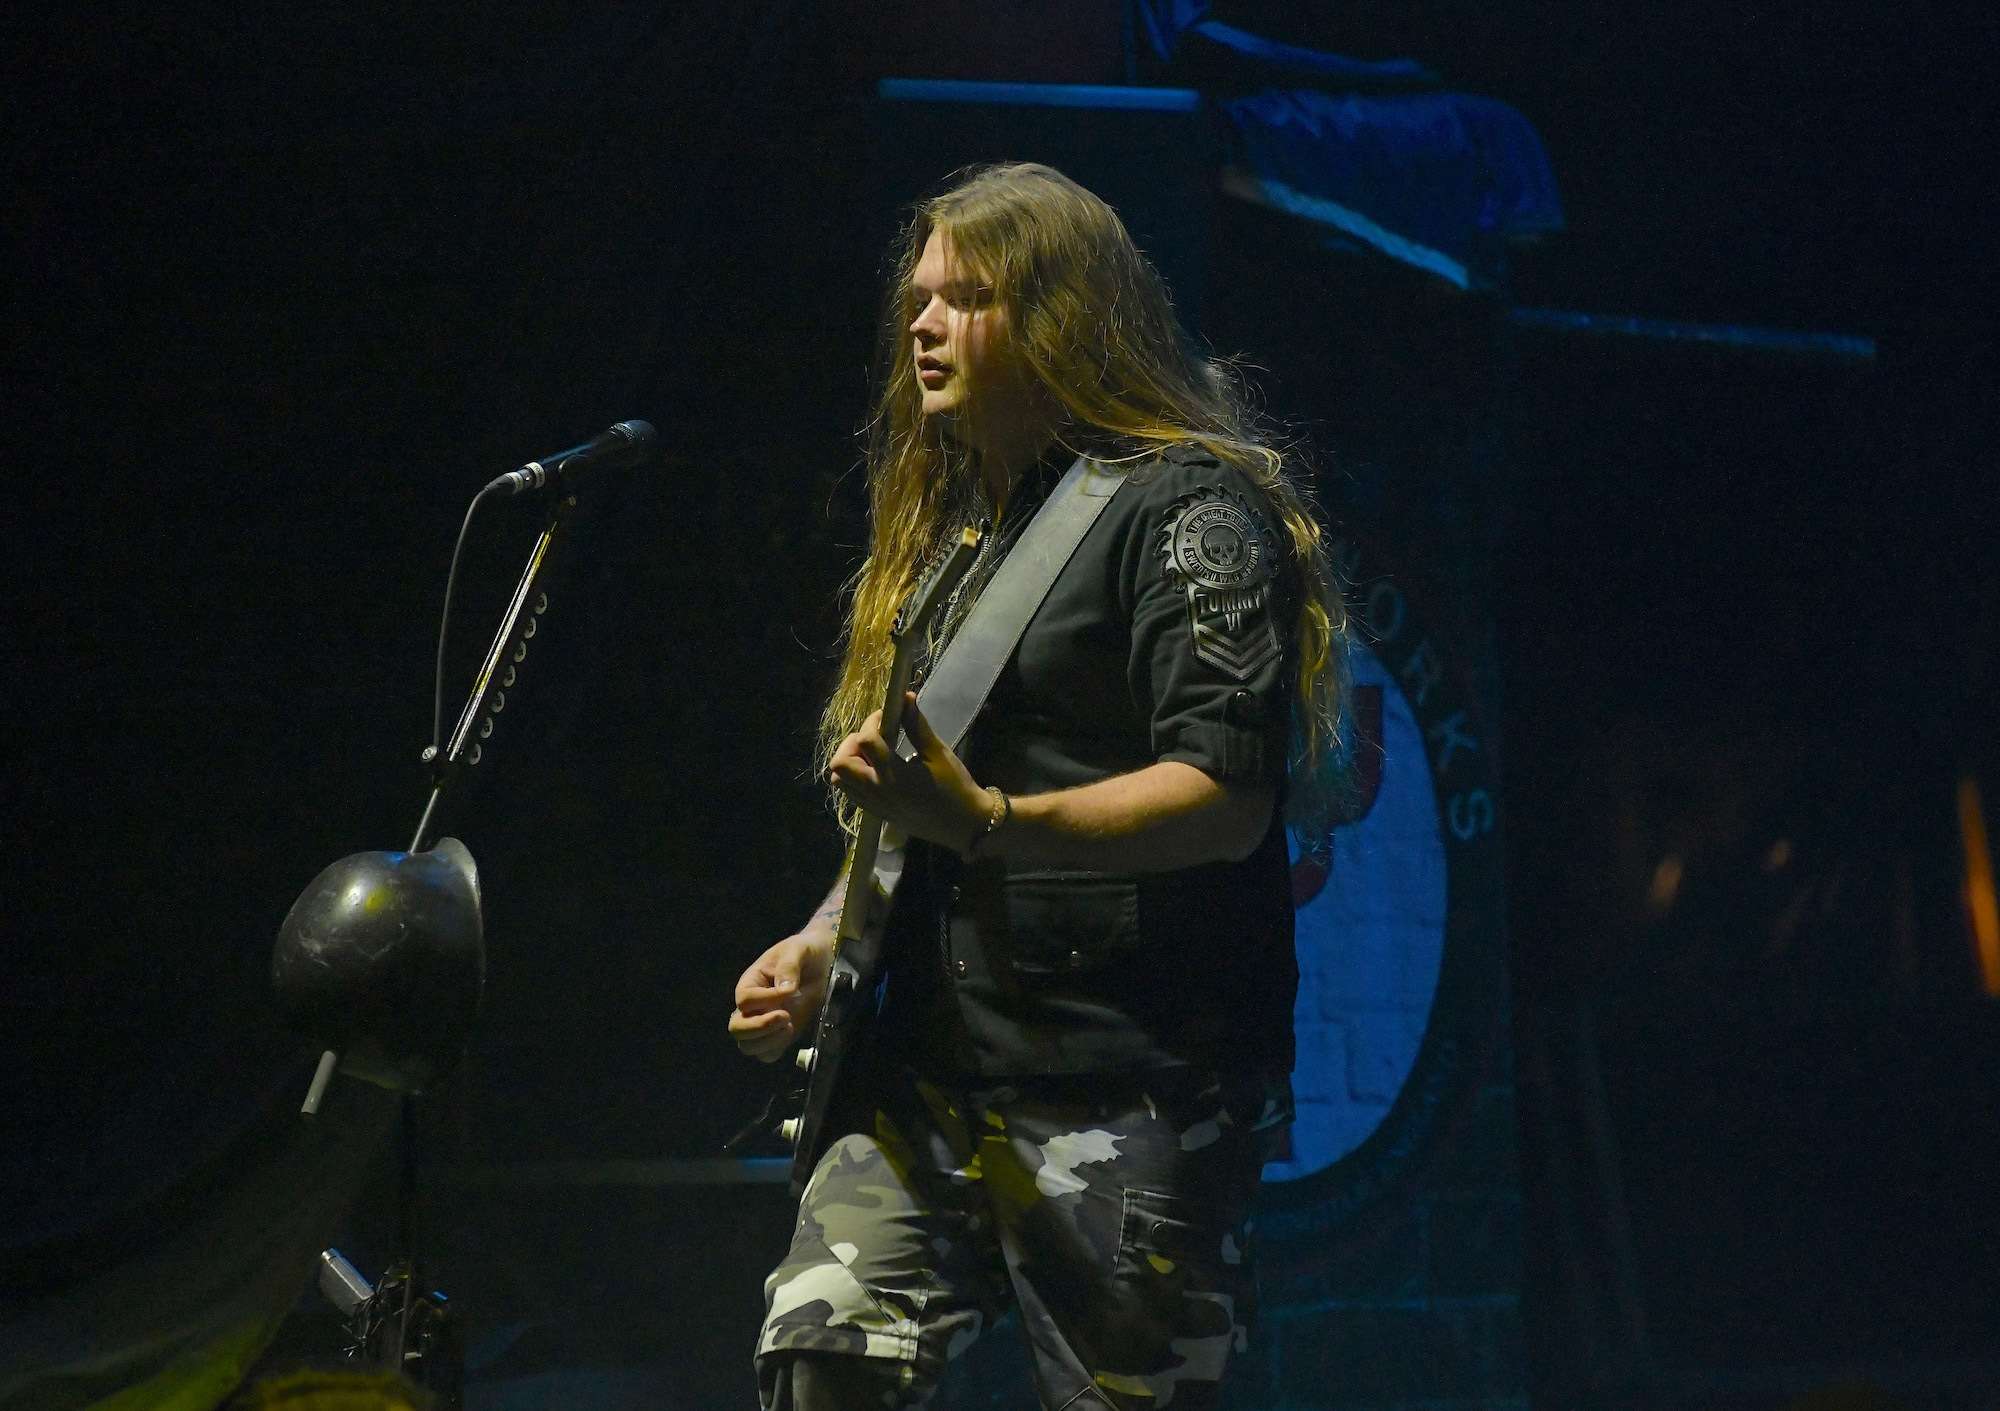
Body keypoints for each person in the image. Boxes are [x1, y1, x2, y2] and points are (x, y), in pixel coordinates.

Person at [727, 162, 1348, 1411]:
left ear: (1061, 317)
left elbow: (1224, 795)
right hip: (924, 1072)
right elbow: (917, 803)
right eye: (918, 297)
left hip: (1125, 1078)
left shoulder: (1187, 510)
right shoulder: (962, 531)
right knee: (821, 1356)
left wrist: (993, 824)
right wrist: (825, 935)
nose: (922, 323)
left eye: (964, 299)